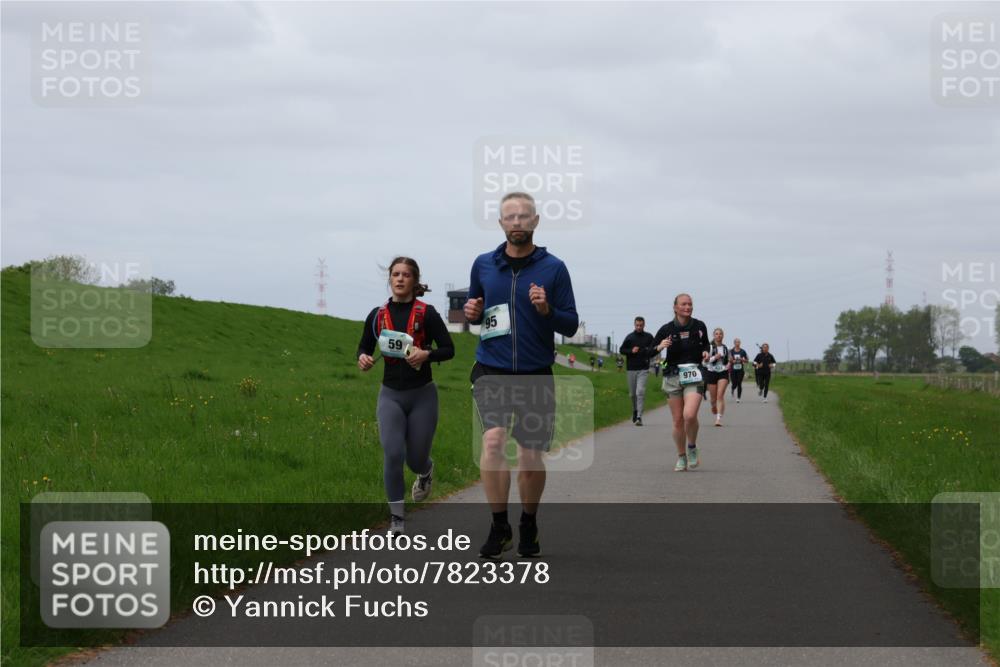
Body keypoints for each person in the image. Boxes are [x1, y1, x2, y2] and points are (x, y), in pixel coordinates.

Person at [464, 191, 579, 559]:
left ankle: (528, 522)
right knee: (493, 442)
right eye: (510, 217)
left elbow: (571, 324)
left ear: (535, 221)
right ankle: (500, 526)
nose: (517, 222)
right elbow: (476, 311)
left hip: (534, 373)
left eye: (523, 216)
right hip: (491, 369)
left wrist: (547, 310)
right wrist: (471, 312)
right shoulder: (483, 264)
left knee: (530, 457)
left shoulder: (554, 268)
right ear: (501, 223)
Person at [357, 257, 455, 535]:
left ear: (414, 281)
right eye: (395, 274)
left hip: (422, 396)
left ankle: (425, 471)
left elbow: (449, 349)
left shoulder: (427, 314)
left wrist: (427, 354)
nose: (400, 279)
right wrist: (363, 359)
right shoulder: (377, 315)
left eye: (406, 275)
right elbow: (363, 347)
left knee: (415, 459)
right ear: (390, 279)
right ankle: (397, 518)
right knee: (393, 453)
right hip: (390, 395)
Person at [649, 294, 710, 472]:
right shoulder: (666, 329)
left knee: (689, 415)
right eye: (683, 304)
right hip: (672, 376)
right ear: (675, 307)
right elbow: (649, 351)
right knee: (677, 421)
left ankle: (692, 447)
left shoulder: (699, 326)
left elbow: (706, 344)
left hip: (693, 374)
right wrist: (660, 347)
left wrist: (706, 352)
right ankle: (681, 456)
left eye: (690, 304)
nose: (687, 307)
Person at [619, 316, 655, 426]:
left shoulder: (649, 337)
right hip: (631, 369)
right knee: (632, 394)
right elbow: (621, 350)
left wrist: (649, 351)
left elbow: (654, 349)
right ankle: (635, 410)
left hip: (643, 369)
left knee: (640, 392)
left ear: (644, 325)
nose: (639, 327)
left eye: (641, 325)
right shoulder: (630, 337)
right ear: (634, 325)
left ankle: (639, 416)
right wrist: (631, 351)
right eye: (637, 325)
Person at [703, 328, 731, 427]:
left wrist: (728, 364)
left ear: (723, 336)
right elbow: (704, 362)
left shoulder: (726, 348)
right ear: (714, 336)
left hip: (723, 372)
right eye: (717, 334)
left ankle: (718, 419)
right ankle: (713, 406)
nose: (719, 335)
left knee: (720, 396)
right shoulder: (709, 347)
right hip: (711, 372)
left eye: (720, 334)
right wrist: (715, 357)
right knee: (713, 398)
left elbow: (729, 360)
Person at [729, 338, 749, 403]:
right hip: (733, 370)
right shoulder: (731, 351)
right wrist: (732, 361)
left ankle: (738, 398)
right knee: (734, 383)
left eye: (738, 342)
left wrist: (742, 360)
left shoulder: (743, 351)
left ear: (740, 343)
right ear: (734, 343)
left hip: (740, 370)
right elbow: (728, 359)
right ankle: (732, 389)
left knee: (739, 383)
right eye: (736, 342)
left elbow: (747, 360)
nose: (737, 343)